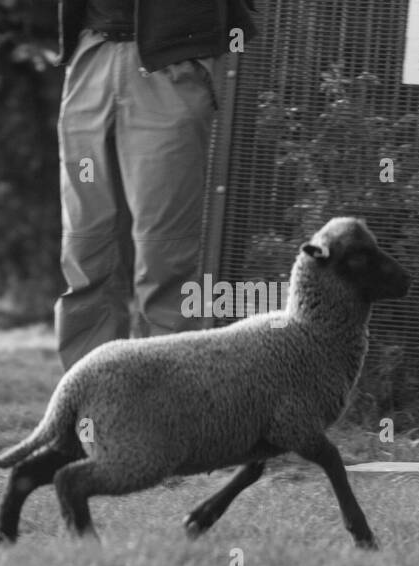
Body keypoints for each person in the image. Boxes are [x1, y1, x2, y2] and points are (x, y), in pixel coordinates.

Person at [54, 0, 259, 369]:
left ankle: (164, 410)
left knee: (164, 258)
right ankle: (90, 402)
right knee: (86, 251)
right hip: (91, 53)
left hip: (171, 60)